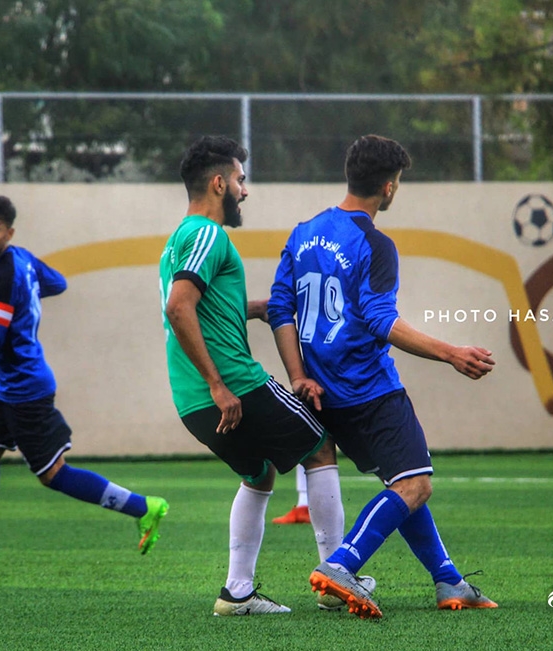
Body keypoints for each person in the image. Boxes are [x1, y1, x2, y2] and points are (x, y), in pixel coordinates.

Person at [267, 134, 498, 619]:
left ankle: (448, 580)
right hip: (369, 390)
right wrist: (451, 353)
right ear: (389, 187)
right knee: (416, 485)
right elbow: (380, 320)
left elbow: (280, 309)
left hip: (323, 392)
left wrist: (298, 375)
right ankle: (342, 565)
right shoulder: (375, 243)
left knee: (402, 481)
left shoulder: (304, 232)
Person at [0, 193, 169, 567]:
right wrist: (30, 289)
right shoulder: (21, 259)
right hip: (6, 386)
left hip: (25, 389)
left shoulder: (4, 275)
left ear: (8, 233)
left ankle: (143, 506)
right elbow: (59, 282)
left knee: (53, 474)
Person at [160, 135, 348, 615]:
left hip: (190, 401)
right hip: (233, 386)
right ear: (218, 183)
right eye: (240, 180)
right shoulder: (208, 234)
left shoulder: (178, 240)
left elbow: (197, 307)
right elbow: (179, 308)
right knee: (320, 446)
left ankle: (237, 592)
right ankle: (336, 578)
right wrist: (219, 385)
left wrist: (254, 308)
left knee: (259, 473)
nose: (245, 191)